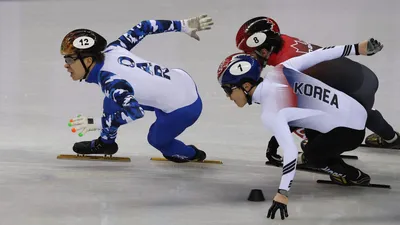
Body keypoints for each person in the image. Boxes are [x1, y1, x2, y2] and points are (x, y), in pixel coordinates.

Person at [217, 38, 383, 220]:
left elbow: (290, 154)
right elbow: (320, 55)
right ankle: (326, 152)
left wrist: (282, 193)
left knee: (312, 155)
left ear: (246, 86)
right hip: (353, 110)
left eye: (228, 90)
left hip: (350, 131)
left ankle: (352, 175)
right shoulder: (281, 71)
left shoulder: (270, 113)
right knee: (308, 125)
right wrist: (357, 48)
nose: (228, 96)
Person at [235, 17, 399, 164]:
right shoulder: (284, 40)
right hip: (364, 76)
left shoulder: (285, 67)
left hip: (353, 89)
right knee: (364, 110)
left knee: (317, 130)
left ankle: (329, 159)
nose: (250, 59)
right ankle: (391, 138)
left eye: (250, 54)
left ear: (264, 51)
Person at [61, 15, 213, 163]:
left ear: (88, 61)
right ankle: (107, 143)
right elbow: (145, 26)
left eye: (69, 59)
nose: (66, 65)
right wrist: (182, 25)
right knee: (112, 102)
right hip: (180, 80)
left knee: (156, 139)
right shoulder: (114, 48)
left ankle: (192, 154)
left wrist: (97, 123)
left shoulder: (110, 82)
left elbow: (135, 112)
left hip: (184, 107)